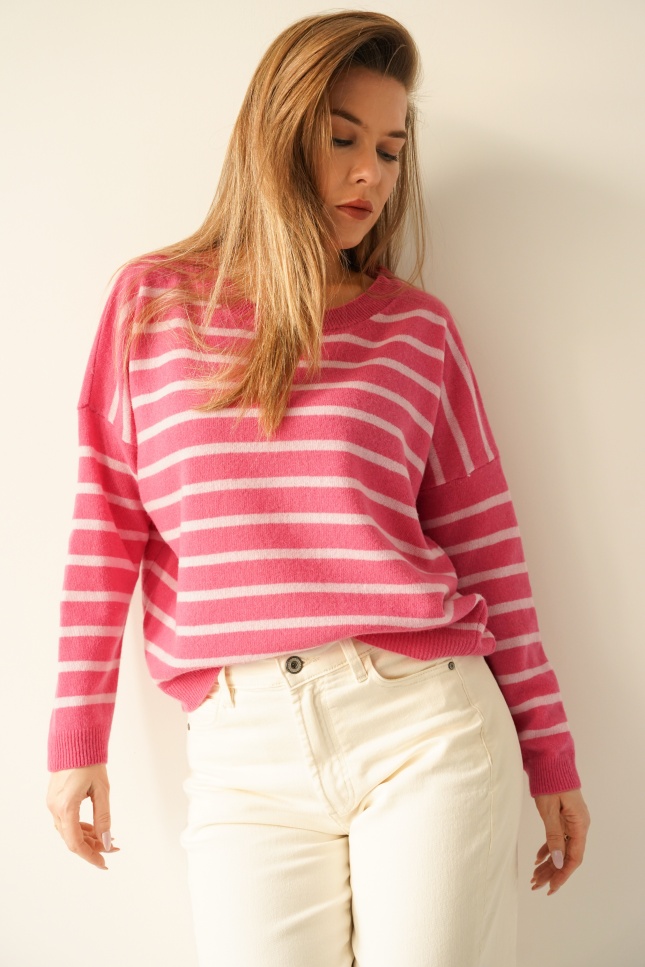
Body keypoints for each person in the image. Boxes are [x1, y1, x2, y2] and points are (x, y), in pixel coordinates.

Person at [46, 10, 590, 966]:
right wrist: (76, 733)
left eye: (389, 149)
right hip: (240, 752)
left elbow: (487, 549)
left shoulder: (417, 331)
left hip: (424, 723)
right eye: (343, 139)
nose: (370, 174)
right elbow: (107, 524)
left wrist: (548, 748)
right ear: (277, 133)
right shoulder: (152, 304)